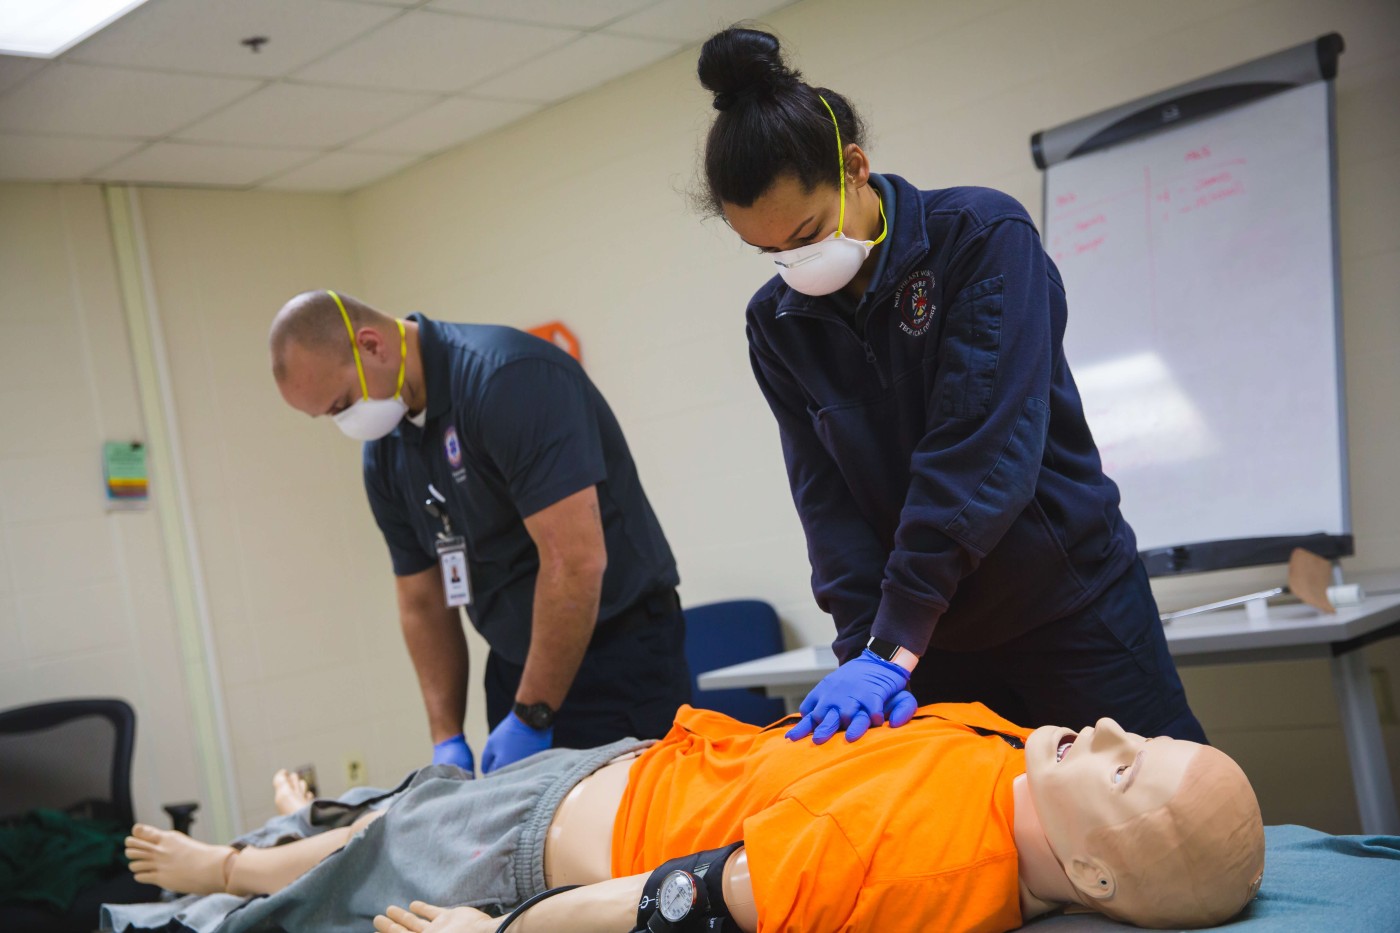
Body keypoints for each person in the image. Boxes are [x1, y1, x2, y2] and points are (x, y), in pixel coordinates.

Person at [693, 27, 1207, 747]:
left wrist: (893, 638)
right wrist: (864, 654)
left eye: (806, 232)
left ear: (855, 167)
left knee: (1160, 810)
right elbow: (826, 500)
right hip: (930, 644)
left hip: (1066, 607)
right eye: (768, 253)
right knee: (995, 844)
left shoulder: (980, 236)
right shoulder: (777, 322)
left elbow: (977, 455)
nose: (795, 263)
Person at [110, 703, 1264, 933]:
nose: (1111, 730)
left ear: (1095, 880)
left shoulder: (916, 865)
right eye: (1143, 739)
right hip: (632, 764)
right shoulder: (1020, 761)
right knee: (409, 799)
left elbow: (678, 903)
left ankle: (217, 869)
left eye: (1126, 774)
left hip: (534, 848)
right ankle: (267, 832)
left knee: (368, 853)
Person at [270, 291, 690, 773]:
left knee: (632, 838)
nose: (345, 422)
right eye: (329, 416)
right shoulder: (385, 453)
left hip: (619, 655)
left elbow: (573, 562)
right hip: (515, 669)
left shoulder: (507, 380)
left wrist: (533, 716)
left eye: (341, 404)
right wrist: (446, 738)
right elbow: (422, 601)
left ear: (372, 346)